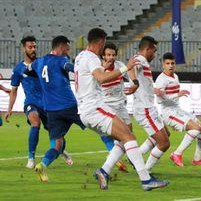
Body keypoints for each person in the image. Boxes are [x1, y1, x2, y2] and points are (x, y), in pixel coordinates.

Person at [74, 28, 168, 191]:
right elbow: (101, 78)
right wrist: (126, 68)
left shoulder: (80, 56)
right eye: (104, 43)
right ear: (100, 41)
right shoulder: (91, 57)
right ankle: (146, 180)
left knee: (124, 139)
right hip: (94, 108)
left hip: (87, 109)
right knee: (129, 137)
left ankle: (104, 171)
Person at [5, 36, 72, 168]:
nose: (33, 49)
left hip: (48, 104)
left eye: (34, 46)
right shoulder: (18, 69)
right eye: (30, 47)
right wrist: (9, 109)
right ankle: (31, 158)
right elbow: (14, 91)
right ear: (24, 48)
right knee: (35, 122)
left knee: (56, 135)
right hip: (31, 102)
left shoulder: (42, 63)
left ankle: (60, 150)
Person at [28, 36, 85, 181]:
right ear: (62, 46)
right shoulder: (61, 60)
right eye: (67, 48)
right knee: (97, 124)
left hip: (51, 111)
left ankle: (42, 164)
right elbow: (71, 68)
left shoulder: (38, 62)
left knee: (58, 145)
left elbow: (27, 68)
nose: (68, 51)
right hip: (69, 106)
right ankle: (114, 155)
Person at [153, 52, 201, 167]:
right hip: (168, 112)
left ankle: (197, 159)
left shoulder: (175, 76)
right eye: (167, 63)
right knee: (196, 129)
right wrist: (177, 95)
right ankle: (177, 154)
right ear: (163, 65)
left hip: (177, 110)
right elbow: (159, 100)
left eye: (172, 63)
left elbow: (172, 95)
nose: (170, 66)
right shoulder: (161, 79)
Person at [127, 36, 171, 173]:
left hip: (148, 107)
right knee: (164, 143)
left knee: (166, 134)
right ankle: (145, 172)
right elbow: (130, 67)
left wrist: (153, 89)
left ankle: (136, 156)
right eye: (154, 50)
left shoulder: (144, 61)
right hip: (144, 109)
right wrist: (135, 82)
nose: (155, 54)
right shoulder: (139, 59)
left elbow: (143, 81)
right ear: (148, 49)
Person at [99, 41, 140, 173]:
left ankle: (123, 158)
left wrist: (135, 83)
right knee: (119, 135)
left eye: (113, 55)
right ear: (103, 56)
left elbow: (131, 73)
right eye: (108, 54)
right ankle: (117, 160)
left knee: (129, 135)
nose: (111, 57)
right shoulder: (98, 69)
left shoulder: (119, 65)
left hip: (121, 105)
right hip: (106, 106)